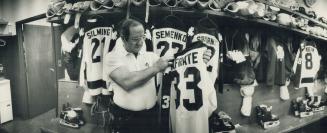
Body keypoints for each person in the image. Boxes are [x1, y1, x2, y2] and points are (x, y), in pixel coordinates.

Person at [104, 18, 213, 133]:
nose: (140, 42)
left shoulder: (150, 56)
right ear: (123, 39)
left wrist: (199, 59)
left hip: (151, 117)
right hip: (126, 120)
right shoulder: (112, 57)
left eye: (143, 37)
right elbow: (127, 82)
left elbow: (177, 67)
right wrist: (156, 68)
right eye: (135, 39)